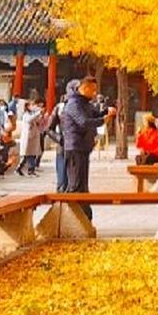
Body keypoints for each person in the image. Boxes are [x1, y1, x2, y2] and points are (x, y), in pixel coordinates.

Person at [59, 75, 114, 219]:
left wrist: (107, 111)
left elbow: (95, 114)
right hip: (74, 147)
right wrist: (103, 120)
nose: (95, 93)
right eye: (92, 90)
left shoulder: (86, 103)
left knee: (83, 185)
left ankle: (84, 217)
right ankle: (70, 218)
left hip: (84, 147)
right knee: (75, 185)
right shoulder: (73, 104)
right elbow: (83, 122)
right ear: (84, 88)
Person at [15, 100, 46, 176]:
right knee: (28, 155)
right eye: (31, 105)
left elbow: (37, 121)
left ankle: (22, 169)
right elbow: (29, 119)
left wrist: (40, 115)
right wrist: (38, 113)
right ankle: (29, 170)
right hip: (28, 138)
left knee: (30, 154)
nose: (33, 106)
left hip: (33, 137)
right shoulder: (26, 115)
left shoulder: (32, 114)